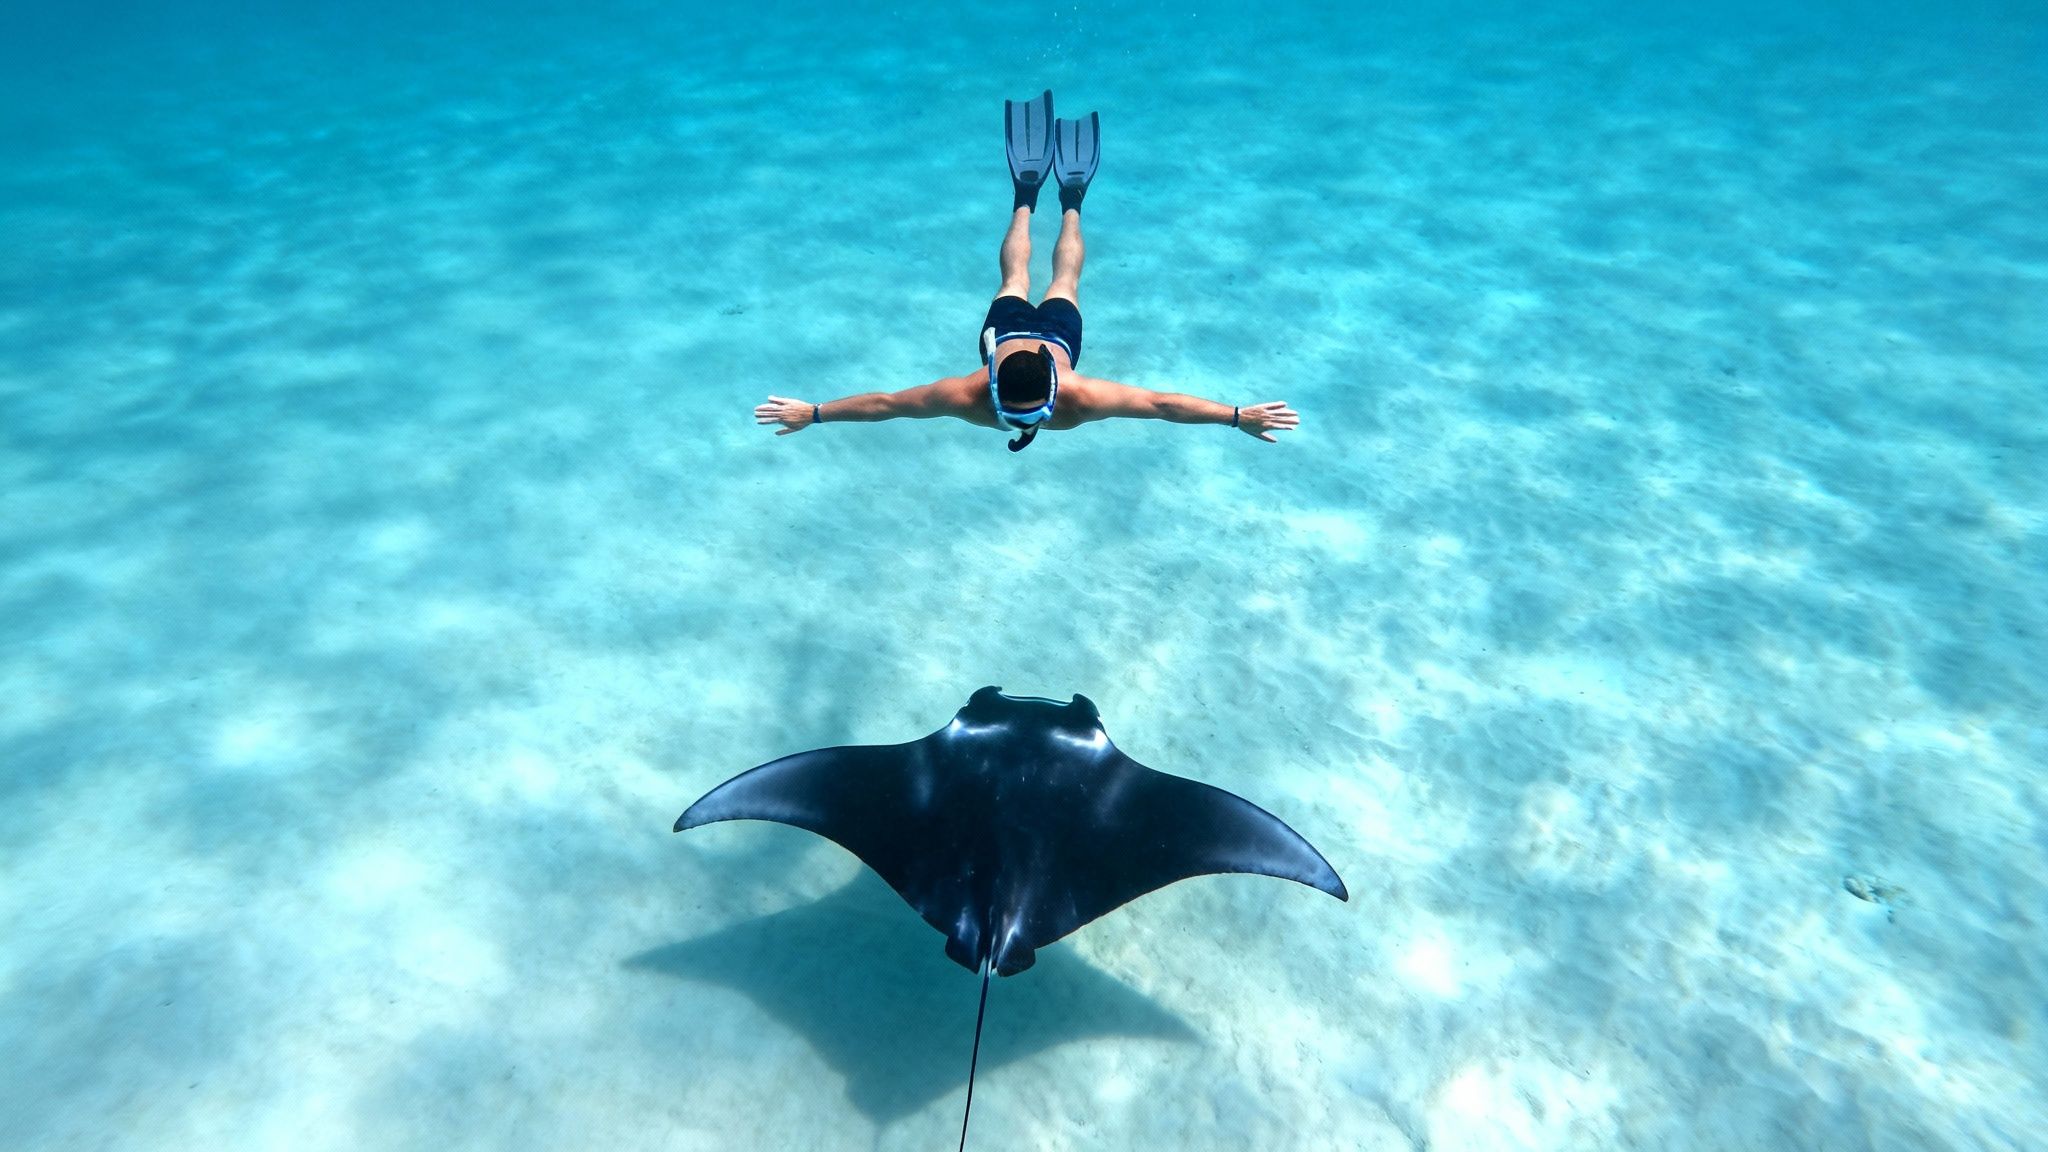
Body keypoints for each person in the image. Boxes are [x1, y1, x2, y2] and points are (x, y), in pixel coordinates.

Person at [754, 92, 1301, 452]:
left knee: (1031, 281)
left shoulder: (977, 396)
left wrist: (819, 412)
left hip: (1023, 334)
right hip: (1041, 338)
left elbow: (890, 405)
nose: (1019, 421)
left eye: (1023, 411)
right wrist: (816, 414)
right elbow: (885, 405)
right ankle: (1062, 199)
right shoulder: (1058, 399)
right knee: (1048, 282)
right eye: (1019, 412)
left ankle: (1037, 197)